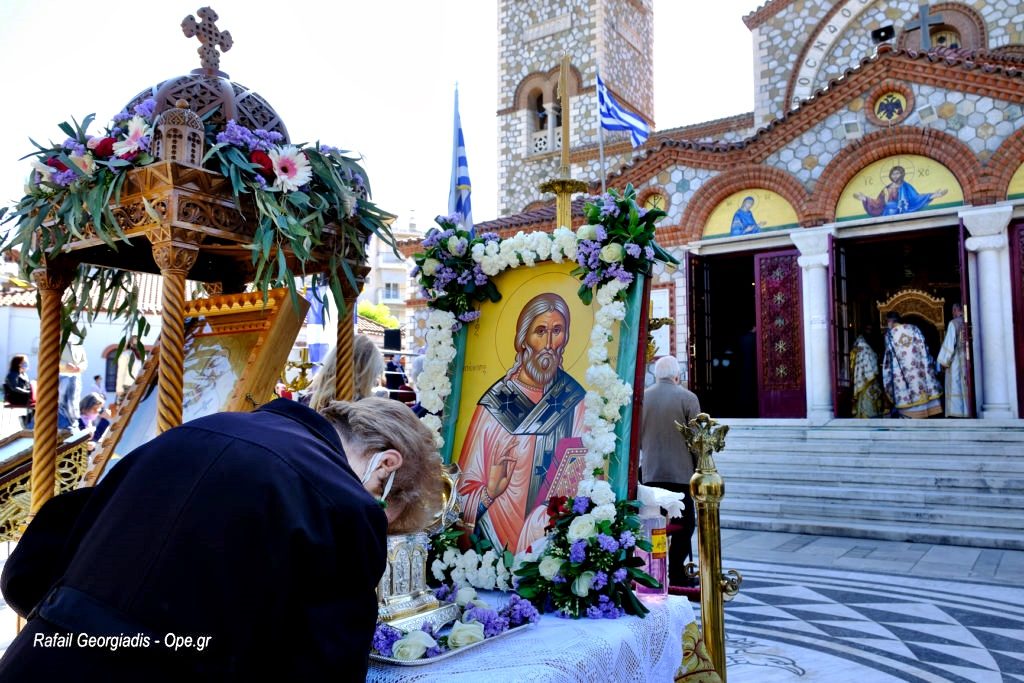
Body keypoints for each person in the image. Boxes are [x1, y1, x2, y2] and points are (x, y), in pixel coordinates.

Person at [0, 396, 442, 680]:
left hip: (36, 660)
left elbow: (29, 567)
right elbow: (324, 668)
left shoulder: (193, 431)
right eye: (385, 509)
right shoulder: (346, 504)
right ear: (386, 464)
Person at [458, 292, 587, 554]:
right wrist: (489, 493)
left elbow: (588, 473)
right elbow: (463, 490)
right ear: (523, 339)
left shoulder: (575, 399)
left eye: (557, 331)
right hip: (494, 541)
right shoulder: (495, 403)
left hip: (552, 541)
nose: (549, 344)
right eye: (540, 331)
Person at [640, 356, 702, 587]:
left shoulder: (643, 397)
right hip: (680, 474)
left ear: (656, 374)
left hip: (650, 474)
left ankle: (652, 572)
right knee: (685, 526)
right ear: (677, 375)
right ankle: (676, 571)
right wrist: (699, 469)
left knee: (653, 525)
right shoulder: (688, 398)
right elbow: (697, 441)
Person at [882, 311, 943, 418]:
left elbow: (888, 359)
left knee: (906, 392)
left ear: (890, 322)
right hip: (920, 371)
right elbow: (925, 348)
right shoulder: (914, 329)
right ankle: (926, 411)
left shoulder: (890, 334)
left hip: (903, 375)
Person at [302, 334, 385, 410]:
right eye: (374, 375)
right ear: (361, 373)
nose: (375, 382)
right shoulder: (356, 409)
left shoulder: (311, 400)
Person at [853, 165, 948, 217]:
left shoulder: (906, 187)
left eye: (897, 173)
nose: (895, 176)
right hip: (888, 214)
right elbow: (879, 203)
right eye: (893, 174)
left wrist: (933, 195)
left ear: (902, 174)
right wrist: (865, 199)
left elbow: (916, 198)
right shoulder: (886, 188)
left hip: (903, 212)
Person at [937, 302, 970, 417]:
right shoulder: (968, 323)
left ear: (956, 310)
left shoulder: (953, 323)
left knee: (955, 385)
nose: (952, 313)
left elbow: (949, 344)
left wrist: (943, 361)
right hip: (968, 359)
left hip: (956, 359)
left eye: (953, 310)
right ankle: (968, 411)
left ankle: (957, 412)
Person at [850, 334, 885, 418]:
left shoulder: (864, 348)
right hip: (868, 377)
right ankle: (866, 413)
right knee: (866, 396)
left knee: (870, 394)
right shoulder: (864, 347)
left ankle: (867, 413)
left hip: (867, 377)